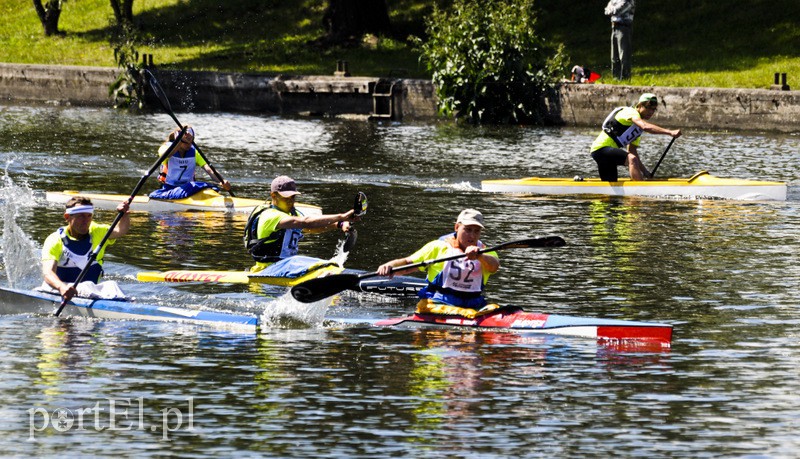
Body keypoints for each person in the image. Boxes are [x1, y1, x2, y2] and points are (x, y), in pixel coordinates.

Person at [376, 209, 500, 318]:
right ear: (457, 227)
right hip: (440, 303)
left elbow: (494, 267)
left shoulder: (486, 252)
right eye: (467, 230)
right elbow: (409, 263)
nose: (472, 235)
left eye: (476, 231)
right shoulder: (438, 247)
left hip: (474, 304)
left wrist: (480, 256)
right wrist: (390, 266)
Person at [244, 175, 356, 273]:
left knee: (320, 264)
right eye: (286, 197)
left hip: (287, 266)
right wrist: (341, 216)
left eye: (293, 197)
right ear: (274, 196)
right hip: (268, 269)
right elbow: (305, 222)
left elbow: (311, 228)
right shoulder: (270, 215)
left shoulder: (291, 213)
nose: (291, 201)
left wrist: (339, 224)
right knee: (322, 265)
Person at [41, 196, 131, 302]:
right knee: (86, 287)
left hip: (90, 291)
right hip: (60, 290)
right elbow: (48, 273)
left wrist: (124, 214)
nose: (86, 221)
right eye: (81, 216)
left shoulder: (96, 231)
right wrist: (62, 287)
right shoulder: (55, 239)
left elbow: (120, 230)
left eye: (89, 216)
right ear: (67, 217)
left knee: (112, 285)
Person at [589, 93, 682, 182]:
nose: (651, 112)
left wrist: (645, 172)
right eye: (648, 108)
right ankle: (639, 193)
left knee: (611, 187)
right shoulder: (630, 112)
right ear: (639, 105)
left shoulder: (636, 129)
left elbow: (632, 150)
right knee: (631, 159)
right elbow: (645, 127)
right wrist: (670, 132)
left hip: (606, 155)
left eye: (653, 109)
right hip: (600, 149)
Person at [149, 126, 232, 200]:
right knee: (193, 186)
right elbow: (167, 155)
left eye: (191, 141)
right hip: (169, 189)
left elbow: (210, 170)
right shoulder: (165, 148)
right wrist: (180, 141)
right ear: (178, 140)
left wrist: (221, 181)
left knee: (211, 188)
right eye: (185, 142)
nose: (189, 145)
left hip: (189, 189)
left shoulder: (195, 152)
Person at [604, 0, 635, 80]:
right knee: (614, 57)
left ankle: (625, 78)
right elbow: (607, 9)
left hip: (624, 27)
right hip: (614, 27)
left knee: (624, 56)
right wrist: (611, 9)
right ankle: (616, 79)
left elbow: (619, 10)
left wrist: (610, 9)